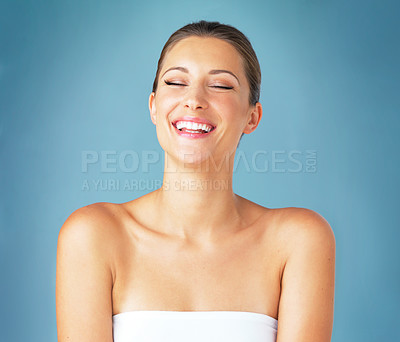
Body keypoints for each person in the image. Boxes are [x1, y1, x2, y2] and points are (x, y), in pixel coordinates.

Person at [56, 20, 336, 342]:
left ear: (252, 117)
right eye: (176, 82)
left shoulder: (297, 241)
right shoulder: (93, 235)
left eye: (220, 86)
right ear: (153, 106)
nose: (194, 100)